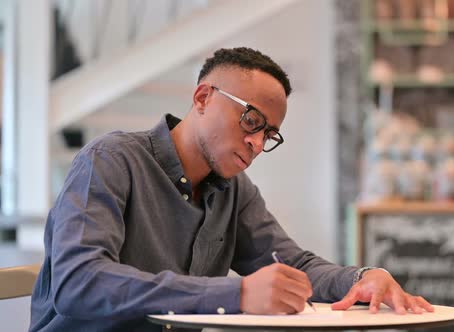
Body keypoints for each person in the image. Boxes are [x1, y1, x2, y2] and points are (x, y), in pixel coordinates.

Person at [29, 47, 433, 331]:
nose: (258, 143)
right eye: (252, 120)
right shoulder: (110, 160)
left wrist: (364, 277)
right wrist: (236, 292)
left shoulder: (234, 190)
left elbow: (296, 266)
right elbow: (78, 283)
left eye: (269, 134)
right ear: (203, 97)